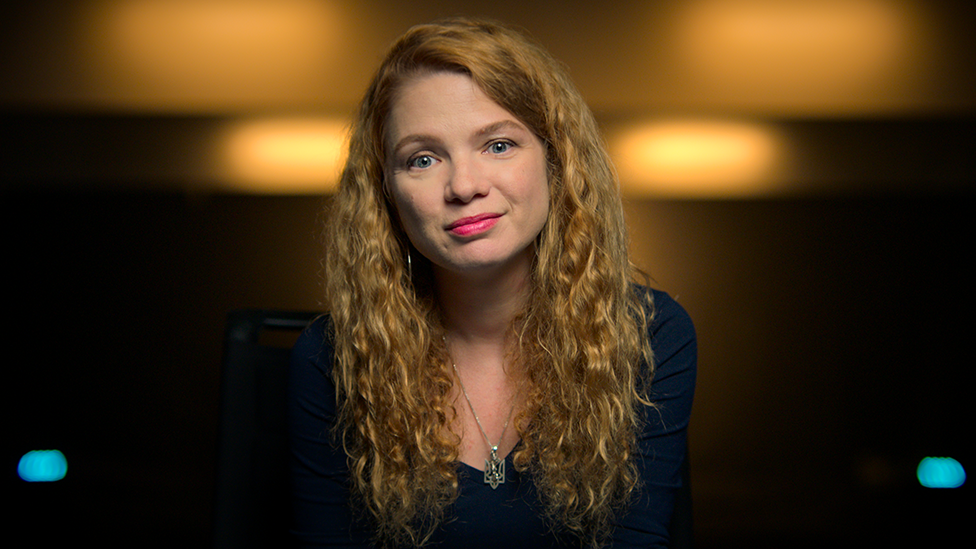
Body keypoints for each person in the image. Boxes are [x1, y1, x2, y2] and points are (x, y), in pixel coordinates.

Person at [288, 17, 696, 548]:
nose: (464, 186)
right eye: (424, 159)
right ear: (386, 193)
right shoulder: (330, 357)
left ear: (556, 162)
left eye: (498, 145)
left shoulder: (648, 334)